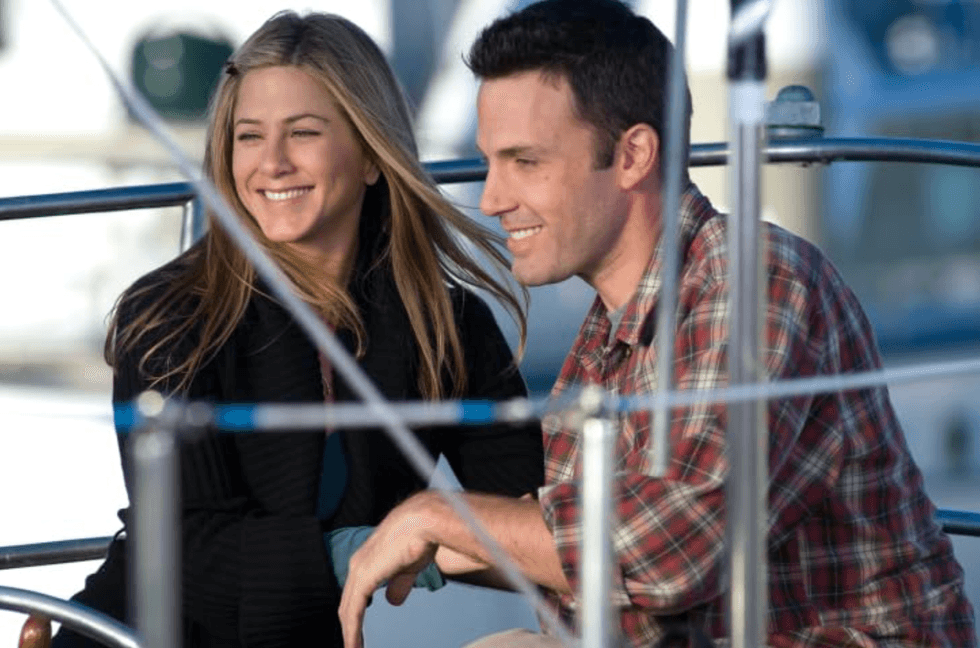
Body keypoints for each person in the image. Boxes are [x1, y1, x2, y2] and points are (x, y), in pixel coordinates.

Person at [337, 1, 977, 647]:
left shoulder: (755, 280)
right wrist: (384, 545)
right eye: (491, 161)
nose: (494, 197)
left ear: (634, 154)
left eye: (525, 162)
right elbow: (586, 547)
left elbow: (670, 553)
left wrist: (436, 516)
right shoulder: (604, 337)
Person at [40, 10, 544, 648]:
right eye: (249, 137)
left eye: (303, 132)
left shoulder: (443, 323)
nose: (271, 163)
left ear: (369, 154)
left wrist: (423, 535)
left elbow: (526, 515)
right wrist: (374, 547)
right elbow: (188, 547)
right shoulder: (169, 316)